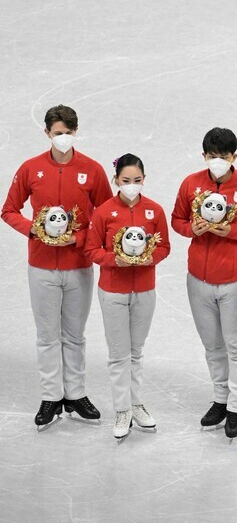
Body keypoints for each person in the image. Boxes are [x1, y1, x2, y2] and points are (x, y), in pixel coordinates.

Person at [1, 105, 112, 429]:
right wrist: (34, 230)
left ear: (76, 132)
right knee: (48, 336)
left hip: (79, 266)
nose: (63, 138)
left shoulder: (92, 170)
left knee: (74, 335)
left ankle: (75, 394)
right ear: (47, 133)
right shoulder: (31, 168)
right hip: (41, 266)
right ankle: (51, 396)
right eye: (57, 133)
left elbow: (107, 217)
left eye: (68, 132)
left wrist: (79, 238)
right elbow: (9, 210)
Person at [171, 127, 237, 440]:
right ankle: (221, 399)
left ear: (234, 157)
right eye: (212, 156)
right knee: (213, 345)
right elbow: (177, 220)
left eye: (223, 156)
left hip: (234, 280)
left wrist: (234, 232)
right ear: (204, 156)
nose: (217, 161)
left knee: (236, 345)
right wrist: (193, 229)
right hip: (198, 280)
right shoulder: (191, 183)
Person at [85, 154, 171, 441]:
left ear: (144, 179)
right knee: (118, 353)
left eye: (137, 180)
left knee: (136, 351)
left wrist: (150, 258)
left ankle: (136, 404)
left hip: (144, 290)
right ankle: (122, 409)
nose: (131, 184)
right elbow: (91, 249)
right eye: (126, 180)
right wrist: (113, 260)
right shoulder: (104, 212)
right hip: (113, 290)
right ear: (116, 180)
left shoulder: (154, 211)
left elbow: (164, 247)